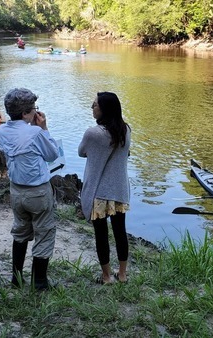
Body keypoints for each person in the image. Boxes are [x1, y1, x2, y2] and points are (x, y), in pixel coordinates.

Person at [0, 88, 60, 291]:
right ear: (25, 113)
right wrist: (44, 128)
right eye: (34, 109)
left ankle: (16, 279)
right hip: (38, 192)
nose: (36, 112)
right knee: (44, 232)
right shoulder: (34, 132)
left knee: (20, 231)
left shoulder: (3, 130)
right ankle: (39, 283)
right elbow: (52, 155)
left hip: (16, 191)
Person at [78, 92, 131, 285]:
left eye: (95, 104)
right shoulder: (126, 130)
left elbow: (81, 152)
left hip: (99, 192)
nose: (92, 107)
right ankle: (123, 274)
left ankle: (107, 276)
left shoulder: (93, 133)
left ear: (104, 109)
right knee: (120, 232)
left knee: (101, 235)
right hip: (119, 190)